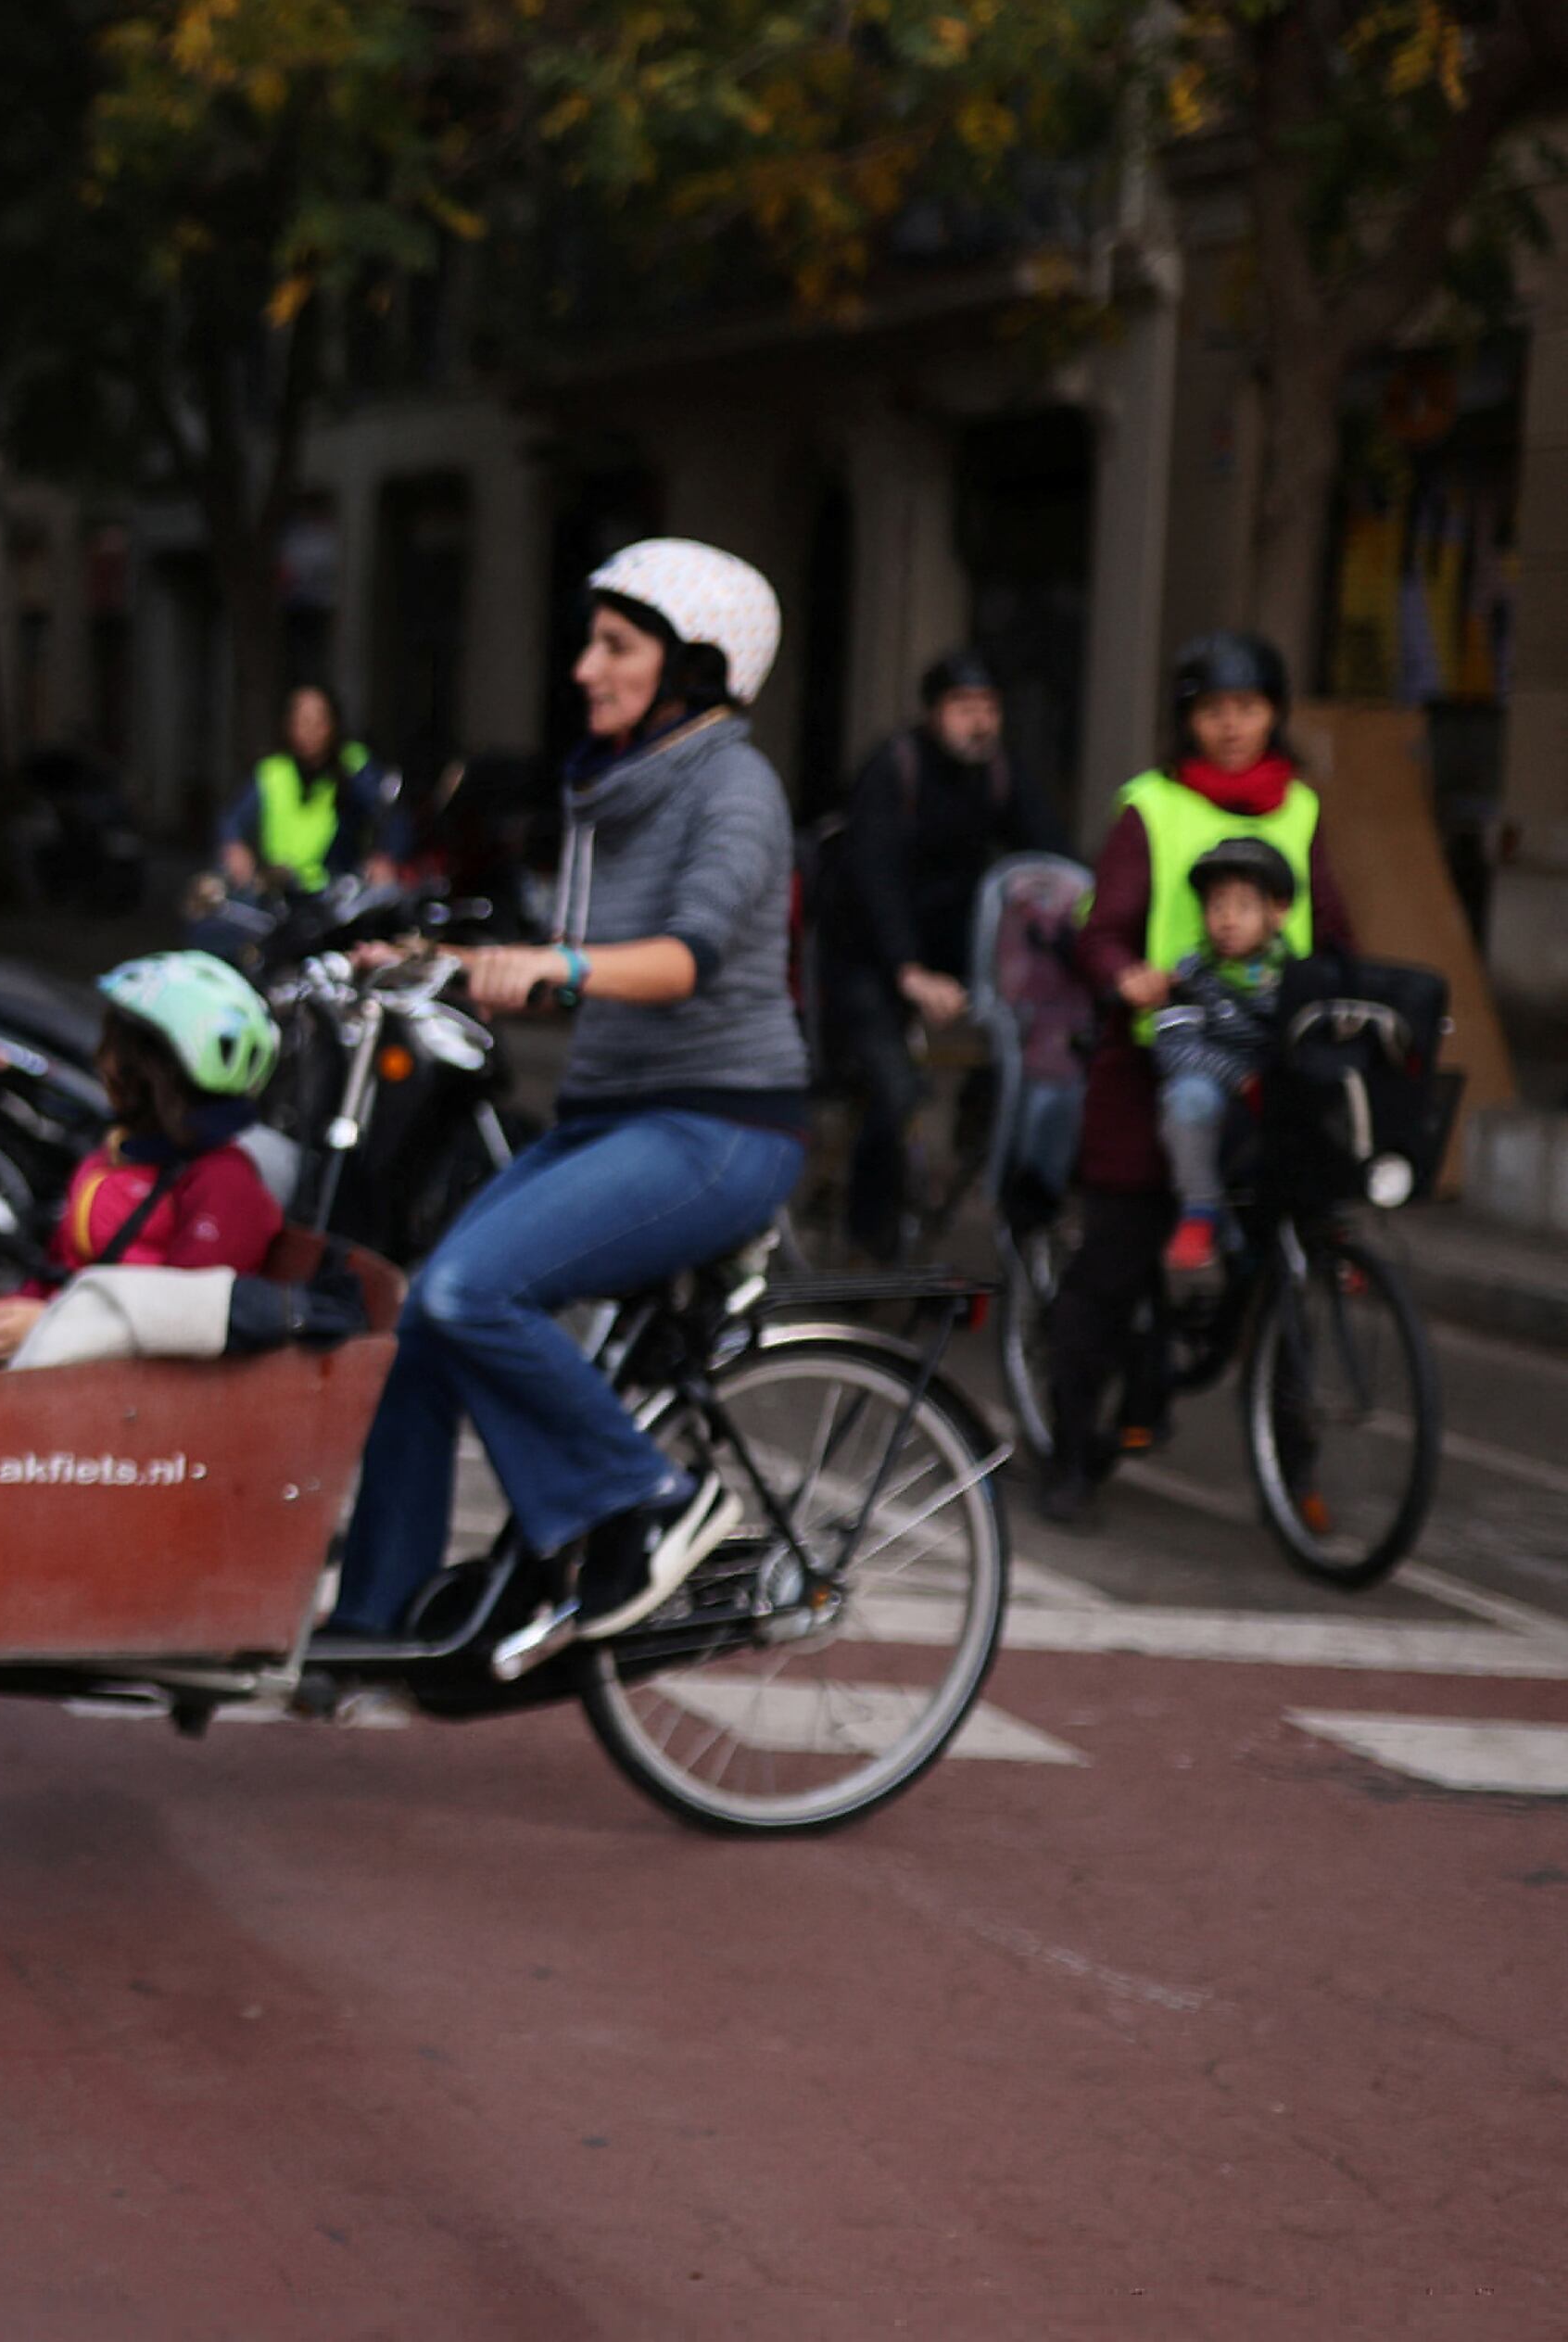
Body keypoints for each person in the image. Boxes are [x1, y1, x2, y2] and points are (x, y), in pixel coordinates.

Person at [328, 538, 812, 1665]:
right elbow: (572, 958)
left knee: (467, 1291)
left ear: (694, 665)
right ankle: (382, 1622)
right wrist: (426, 964)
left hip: (720, 1124)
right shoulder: (614, 787)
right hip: (618, 1115)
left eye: (614, 646)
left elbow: (681, 959)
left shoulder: (734, 786)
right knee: (421, 1322)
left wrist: (561, 967)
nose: (585, 669)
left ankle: (645, 1503)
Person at [1034, 630, 1353, 1521]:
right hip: (1156, 1059)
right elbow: (1100, 930)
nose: (1232, 726)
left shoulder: (1301, 809)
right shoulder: (1153, 807)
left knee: (1295, 1258)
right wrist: (1122, 974)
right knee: (1113, 1262)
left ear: (1274, 714)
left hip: (1265, 1066)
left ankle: (1298, 1468)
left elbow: (1332, 931)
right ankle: (1069, 1453)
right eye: (1214, 711)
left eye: (1248, 708)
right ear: (1189, 721)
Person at [0, 952, 290, 1365]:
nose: (100, 1062)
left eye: (112, 1048)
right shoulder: (116, 1157)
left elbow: (180, 1327)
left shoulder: (223, 1183)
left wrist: (50, 1325)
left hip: (101, 1377)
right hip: (50, 1352)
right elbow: (53, 1272)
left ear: (151, 1075)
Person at [819, 646, 1059, 1259]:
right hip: (871, 957)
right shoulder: (893, 767)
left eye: (988, 707)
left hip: (955, 957)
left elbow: (1044, 858)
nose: (978, 721)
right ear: (933, 713)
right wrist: (908, 970)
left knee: (1022, 1064)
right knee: (894, 1093)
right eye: (962, 706)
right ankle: (868, 1243)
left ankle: (964, 1178)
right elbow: (873, 876)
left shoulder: (1001, 773)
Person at [1147, 833, 1300, 1299]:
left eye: (1244, 906)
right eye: (1216, 907)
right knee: (1187, 1096)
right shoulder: (1192, 975)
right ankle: (1200, 1211)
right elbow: (1175, 1049)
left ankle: (1319, 1227)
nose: (1227, 920)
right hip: (1219, 1108)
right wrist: (1240, 1078)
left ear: (1278, 913)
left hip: (1274, 1106)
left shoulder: (1296, 977)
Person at [213, 681, 405, 896]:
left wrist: (386, 857)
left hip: (337, 891)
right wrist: (235, 847)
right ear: (289, 725)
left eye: (319, 721)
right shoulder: (273, 772)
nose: (310, 730)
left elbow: (392, 817)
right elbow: (232, 821)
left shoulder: (354, 766)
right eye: (302, 721)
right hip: (281, 891)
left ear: (333, 724)